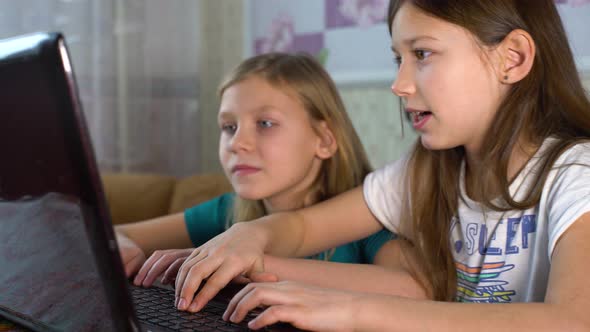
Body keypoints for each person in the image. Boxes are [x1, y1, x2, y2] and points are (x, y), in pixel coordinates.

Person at [171, 0, 590, 330]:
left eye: (422, 53)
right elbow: (303, 227)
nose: (399, 84)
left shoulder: (576, 174)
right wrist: (251, 235)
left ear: (512, 58)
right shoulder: (424, 172)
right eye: (398, 59)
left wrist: (355, 311)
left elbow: (573, 321)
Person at [115, 52, 420, 300]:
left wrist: (254, 266)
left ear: (324, 140)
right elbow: (116, 235)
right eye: (229, 127)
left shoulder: (369, 218)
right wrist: (120, 249)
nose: (237, 143)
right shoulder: (229, 211)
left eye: (265, 123)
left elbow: (412, 288)